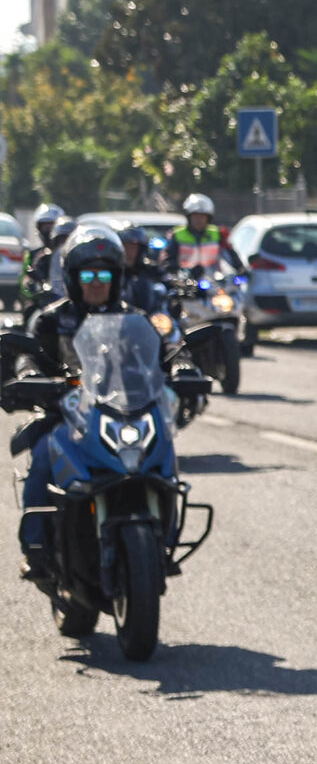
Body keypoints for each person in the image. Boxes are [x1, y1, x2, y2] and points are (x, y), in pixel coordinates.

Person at [12, 227, 205, 580]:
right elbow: (31, 356)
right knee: (42, 453)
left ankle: (162, 540)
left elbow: (168, 349)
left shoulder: (136, 317)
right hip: (67, 415)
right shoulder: (53, 319)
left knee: (164, 454)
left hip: (127, 411)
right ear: (73, 278)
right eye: (88, 274)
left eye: (105, 274)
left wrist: (182, 365)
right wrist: (29, 374)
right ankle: (36, 550)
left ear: (117, 277)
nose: (97, 282)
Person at [20, 205, 69, 306]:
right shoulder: (34, 255)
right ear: (39, 228)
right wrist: (33, 282)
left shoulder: (72, 254)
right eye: (45, 226)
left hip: (68, 298)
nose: (48, 230)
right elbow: (25, 284)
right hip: (47, 300)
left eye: (52, 226)